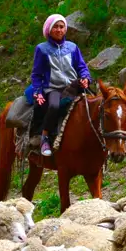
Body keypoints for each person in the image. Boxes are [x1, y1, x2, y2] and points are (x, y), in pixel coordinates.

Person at [31, 13, 92, 157]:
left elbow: (81, 67)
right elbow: (36, 74)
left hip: (73, 86)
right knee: (53, 106)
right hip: (54, 88)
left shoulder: (72, 47)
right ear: (49, 30)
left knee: (96, 104)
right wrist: (38, 92)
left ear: (65, 29)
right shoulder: (42, 49)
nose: (59, 30)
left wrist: (85, 78)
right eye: (55, 27)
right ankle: (45, 137)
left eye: (61, 26)